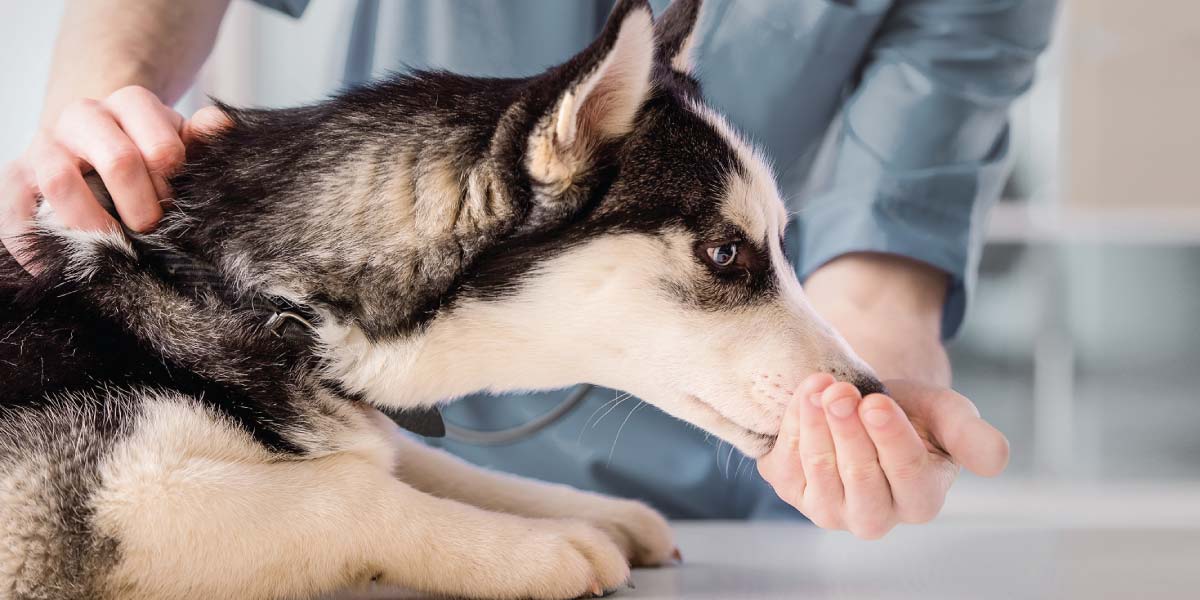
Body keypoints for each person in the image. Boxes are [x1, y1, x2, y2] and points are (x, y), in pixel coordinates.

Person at [0, 0, 1056, 537]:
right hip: (338, 388)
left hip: (692, 502)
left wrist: (861, 390)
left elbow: (901, 195)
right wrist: (107, 115)